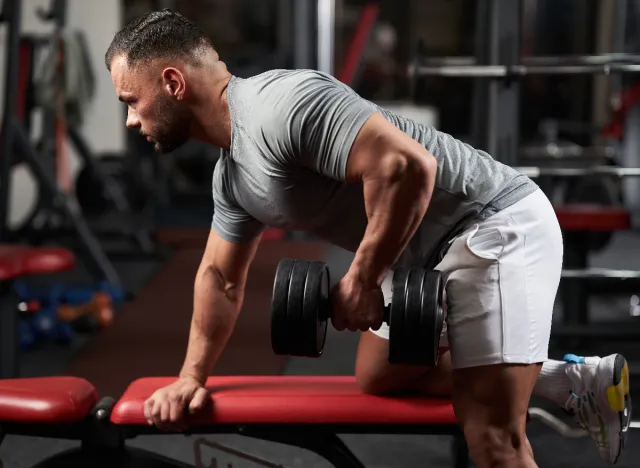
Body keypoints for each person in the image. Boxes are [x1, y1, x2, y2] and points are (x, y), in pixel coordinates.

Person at [105, 9, 631, 467]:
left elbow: (408, 166)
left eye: (132, 99)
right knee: (381, 374)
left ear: (173, 83)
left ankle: (509, 385)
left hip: (490, 223)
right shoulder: (233, 176)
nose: (130, 119)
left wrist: (362, 278)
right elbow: (220, 277)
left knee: (493, 439)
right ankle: (571, 383)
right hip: (423, 255)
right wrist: (190, 377)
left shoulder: (280, 105)